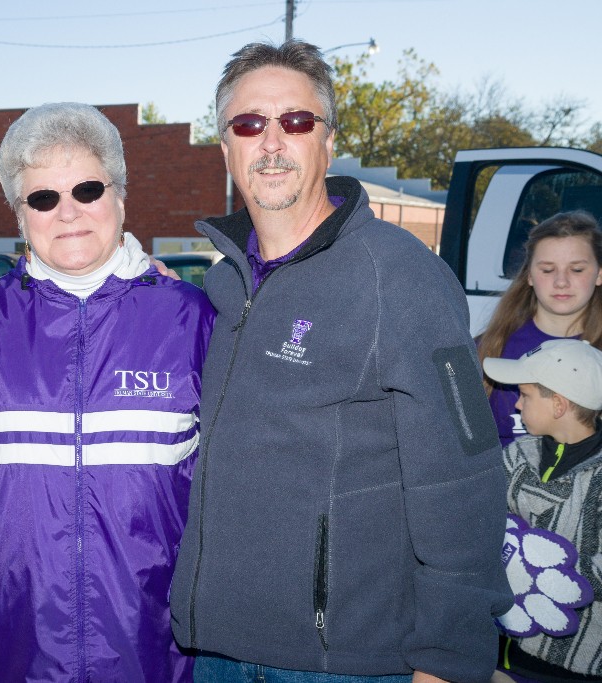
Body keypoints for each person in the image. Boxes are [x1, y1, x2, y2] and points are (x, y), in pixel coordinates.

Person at [167, 40, 513, 682]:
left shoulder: (403, 277)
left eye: (296, 121)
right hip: (215, 654)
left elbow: (463, 474)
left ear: (328, 141)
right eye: (249, 124)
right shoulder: (221, 287)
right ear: (225, 147)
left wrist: (448, 659)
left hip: (342, 661)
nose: (272, 142)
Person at [0, 102, 214, 682]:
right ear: (20, 215)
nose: (68, 212)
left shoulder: (190, 319)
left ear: (121, 198)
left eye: (87, 188)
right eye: (43, 197)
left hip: (155, 657)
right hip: (17, 656)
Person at [482, 339, 602, 682]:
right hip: (502, 651)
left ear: (559, 405)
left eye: (525, 395)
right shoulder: (517, 455)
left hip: (574, 666)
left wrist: (543, 571)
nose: (516, 405)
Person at [477, 211, 602, 447]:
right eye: (547, 269)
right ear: (530, 276)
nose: (561, 281)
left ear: (599, 273)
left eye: (576, 269)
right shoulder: (491, 349)